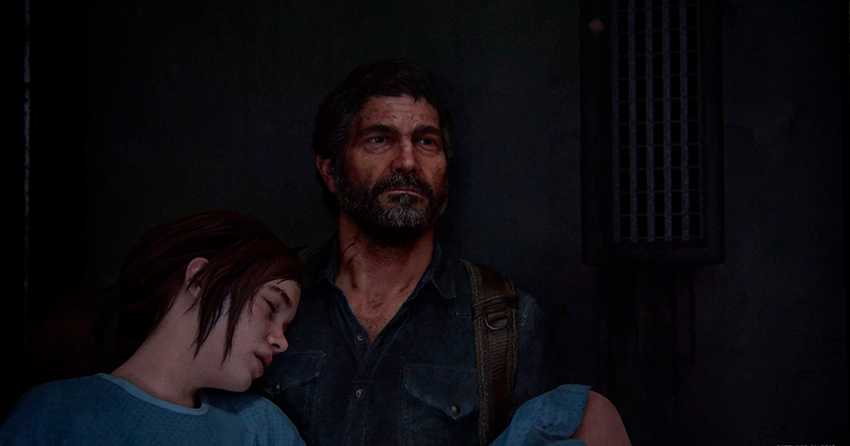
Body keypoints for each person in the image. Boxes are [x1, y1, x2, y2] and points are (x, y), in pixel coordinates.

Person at [255, 59, 630, 445]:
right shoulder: (267, 298)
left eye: (426, 142)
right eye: (379, 139)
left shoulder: (505, 322)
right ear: (330, 171)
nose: (407, 161)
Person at [1, 210, 306, 446]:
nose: (282, 342)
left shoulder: (263, 429)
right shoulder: (54, 413)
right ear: (201, 279)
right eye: (271, 306)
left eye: (286, 326)